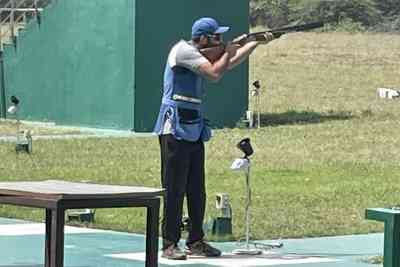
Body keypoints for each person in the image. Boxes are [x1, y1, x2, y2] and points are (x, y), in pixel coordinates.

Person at [153, 17, 273, 260]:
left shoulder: (200, 53)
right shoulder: (183, 50)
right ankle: (169, 243)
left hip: (193, 127)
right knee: (174, 189)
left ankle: (196, 241)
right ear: (205, 38)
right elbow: (215, 73)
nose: (221, 40)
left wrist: (255, 43)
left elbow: (228, 62)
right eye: (217, 37)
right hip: (174, 128)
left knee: (197, 189)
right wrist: (229, 50)